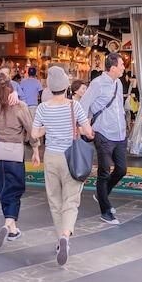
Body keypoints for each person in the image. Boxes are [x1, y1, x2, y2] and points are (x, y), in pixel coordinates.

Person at [32, 65, 94, 266]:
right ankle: (65, 237)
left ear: (49, 87)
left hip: (51, 156)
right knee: (71, 200)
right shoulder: (74, 106)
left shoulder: (42, 108)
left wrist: (47, 129)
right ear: (67, 86)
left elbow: (34, 134)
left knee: (54, 200)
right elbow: (87, 131)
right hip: (71, 157)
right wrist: (83, 130)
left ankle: (60, 239)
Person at [0, 76, 40, 247]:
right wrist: (36, 149)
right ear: (12, 87)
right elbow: (31, 130)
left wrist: (12, 91)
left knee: (3, 190)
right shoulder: (20, 106)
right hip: (15, 154)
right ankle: (8, 222)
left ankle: (12, 230)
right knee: (15, 190)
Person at [81, 52, 128, 225]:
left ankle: (102, 194)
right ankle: (105, 210)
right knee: (104, 172)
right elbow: (83, 106)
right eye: (122, 64)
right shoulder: (97, 84)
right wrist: (85, 128)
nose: (124, 67)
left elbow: (118, 108)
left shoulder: (119, 83)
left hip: (120, 134)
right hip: (103, 133)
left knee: (122, 169)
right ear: (113, 67)